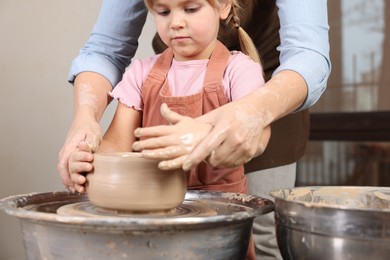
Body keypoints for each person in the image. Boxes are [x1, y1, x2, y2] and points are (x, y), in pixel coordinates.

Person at [59, 0, 331, 259]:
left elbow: (258, 134)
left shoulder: (240, 71)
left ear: (223, 6)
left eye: (190, 8)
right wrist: (87, 160)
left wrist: (215, 136)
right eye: (163, 12)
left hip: (223, 220)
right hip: (160, 222)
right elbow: (115, 144)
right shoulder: (142, 74)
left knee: (264, 241)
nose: (176, 22)